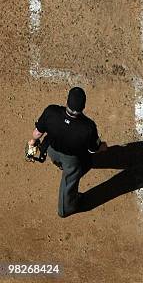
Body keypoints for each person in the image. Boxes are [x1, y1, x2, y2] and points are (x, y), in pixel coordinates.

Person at [27, 87, 106, 217]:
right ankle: (65, 209)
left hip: (52, 151)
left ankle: (59, 164)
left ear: (67, 101)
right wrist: (103, 147)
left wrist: (31, 143)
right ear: (83, 106)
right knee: (71, 177)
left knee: (59, 156)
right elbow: (93, 149)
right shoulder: (88, 127)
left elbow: (37, 133)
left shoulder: (51, 111)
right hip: (72, 160)